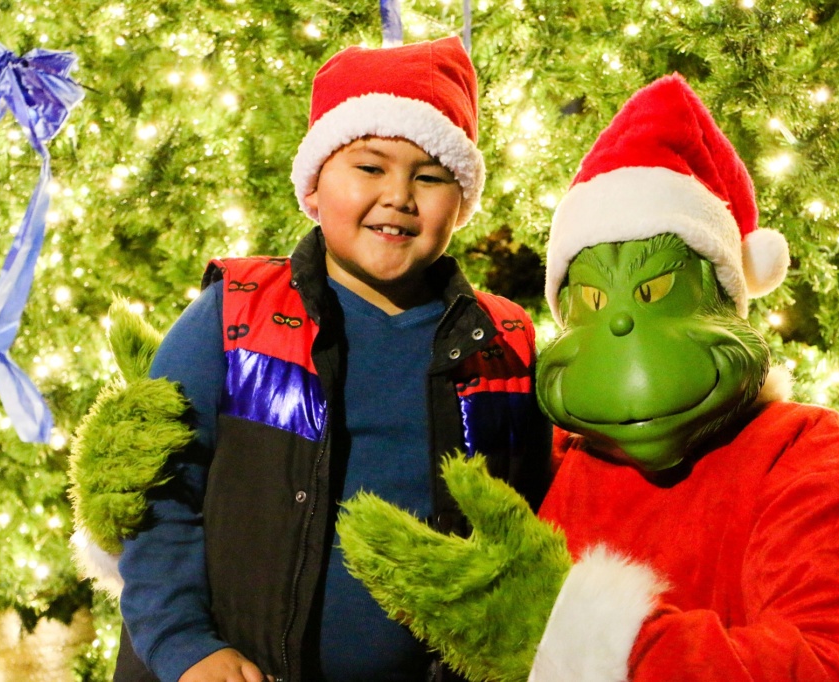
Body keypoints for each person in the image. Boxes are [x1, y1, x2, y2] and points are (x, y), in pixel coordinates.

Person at [336, 74, 839, 681]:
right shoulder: (555, 455)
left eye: (652, 290)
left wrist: (587, 637)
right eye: (591, 297)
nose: (621, 324)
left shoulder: (814, 464)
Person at [114, 36, 552, 682]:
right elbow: (155, 494)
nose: (400, 195)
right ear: (315, 187)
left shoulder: (504, 348)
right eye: (370, 168)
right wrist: (187, 646)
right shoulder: (233, 318)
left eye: (430, 176)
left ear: (462, 200)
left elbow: (537, 519)